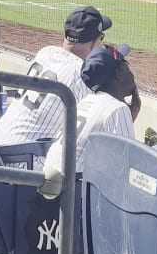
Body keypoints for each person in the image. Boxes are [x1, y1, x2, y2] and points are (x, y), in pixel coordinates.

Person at [0, 5, 112, 161]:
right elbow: (98, 124)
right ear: (94, 43)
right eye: (101, 39)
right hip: (25, 163)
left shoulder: (45, 52)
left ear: (65, 34)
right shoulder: (82, 74)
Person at [44, 43, 140, 176]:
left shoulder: (86, 101)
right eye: (126, 64)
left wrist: (130, 117)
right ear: (119, 74)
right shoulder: (117, 108)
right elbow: (127, 167)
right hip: (75, 190)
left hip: (54, 185)